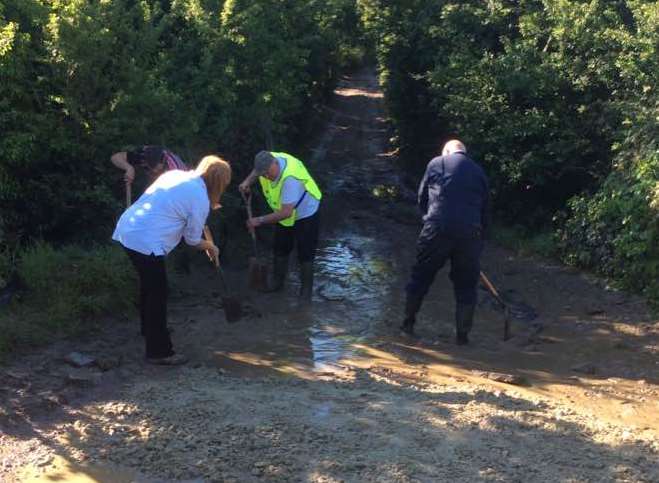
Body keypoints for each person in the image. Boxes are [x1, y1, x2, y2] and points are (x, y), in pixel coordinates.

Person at [113, 155, 231, 365]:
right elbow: (192, 240)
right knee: (158, 293)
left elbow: (176, 204)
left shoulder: (176, 175)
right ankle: (159, 351)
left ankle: (147, 330)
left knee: (149, 288)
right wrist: (210, 246)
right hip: (145, 241)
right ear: (218, 182)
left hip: (128, 229)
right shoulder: (200, 199)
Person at [401, 140, 490, 345]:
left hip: (437, 228)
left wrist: (428, 219)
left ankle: (407, 325)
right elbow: (486, 212)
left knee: (421, 276)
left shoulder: (436, 163)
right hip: (470, 234)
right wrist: (477, 243)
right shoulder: (479, 172)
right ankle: (462, 337)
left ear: (447, 151)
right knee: (467, 286)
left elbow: (422, 198)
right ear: (464, 153)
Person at [238, 150, 322, 300]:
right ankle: (277, 283)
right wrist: (247, 182)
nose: (266, 177)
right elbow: (258, 170)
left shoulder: (290, 179)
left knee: (305, 252)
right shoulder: (267, 159)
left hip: (305, 213)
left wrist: (258, 221)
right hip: (285, 211)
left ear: (275, 163)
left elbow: (286, 213)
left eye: (268, 173)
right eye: (263, 174)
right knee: (280, 247)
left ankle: (305, 293)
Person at [111, 145, 188, 190]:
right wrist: (129, 168)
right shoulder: (145, 155)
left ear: (163, 160)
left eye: (155, 166)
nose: (154, 170)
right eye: (151, 166)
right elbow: (116, 157)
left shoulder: (176, 171)